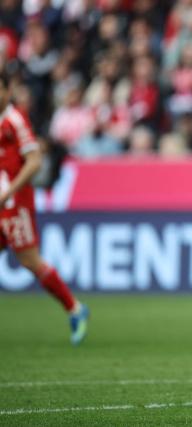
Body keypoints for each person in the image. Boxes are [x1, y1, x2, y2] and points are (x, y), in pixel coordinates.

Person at [0, 72, 89, 345]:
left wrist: (8, 193)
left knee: (30, 261)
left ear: (7, 89)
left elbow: (35, 161)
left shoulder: (15, 119)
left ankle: (75, 308)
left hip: (15, 204)